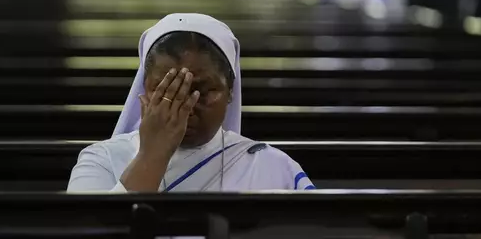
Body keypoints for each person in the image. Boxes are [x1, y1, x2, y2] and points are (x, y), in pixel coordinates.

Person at [68, 14, 315, 192]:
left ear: (230, 90)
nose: (184, 107)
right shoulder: (101, 160)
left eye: (203, 90)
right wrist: (151, 155)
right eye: (167, 89)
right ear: (144, 89)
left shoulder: (271, 166)